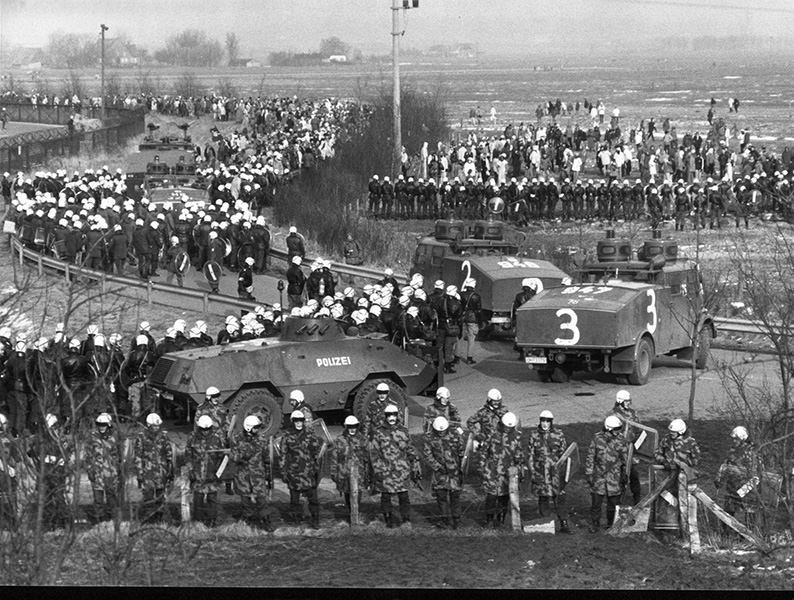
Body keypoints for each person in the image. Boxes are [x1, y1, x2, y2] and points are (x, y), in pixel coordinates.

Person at [369, 404, 421, 528]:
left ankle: (406, 520)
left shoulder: (403, 431)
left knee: (403, 496)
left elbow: (409, 449)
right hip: (385, 471)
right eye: (389, 415)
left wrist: (415, 461)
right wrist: (378, 469)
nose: (391, 417)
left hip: (401, 471)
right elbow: (373, 453)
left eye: (394, 414)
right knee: (386, 497)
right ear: (385, 416)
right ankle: (388, 520)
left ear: (397, 415)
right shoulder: (378, 432)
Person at [526, 410, 571, 533]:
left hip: (555, 473)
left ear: (551, 422)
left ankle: (564, 523)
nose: (545, 424)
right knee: (543, 498)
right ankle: (546, 522)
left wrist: (563, 473)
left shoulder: (559, 434)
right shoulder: (534, 435)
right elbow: (530, 455)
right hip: (540, 472)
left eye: (547, 421)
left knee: (559, 497)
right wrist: (533, 472)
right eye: (543, 421)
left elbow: (564, 455)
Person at [480, 411, 524, 527]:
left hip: (507, 472)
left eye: (510, 427)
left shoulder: (517, 436)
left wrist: (518, 469)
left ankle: (500, 520)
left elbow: (519, 455)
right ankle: (489, 520)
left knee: (504, 497)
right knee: (491, 496)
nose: (507, 430)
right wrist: (483, 467)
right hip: (492, 472)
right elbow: (483, 452)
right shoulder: (492, 434)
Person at [584, 415, 628, 532]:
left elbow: (625, 458)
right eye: (616, 429)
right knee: (596, 503)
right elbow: (590, 456)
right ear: (609, 429)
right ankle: (595, 524)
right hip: (599, 477)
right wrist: (589, 473)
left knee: (613, 504)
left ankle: (610, 524)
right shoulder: (597, 438)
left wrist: (625, 473)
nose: (619, 431)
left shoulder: (621, 440)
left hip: (614, 477)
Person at [280, 410, 323, 528]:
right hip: (294, 474)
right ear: (293, 422)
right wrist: (283, 472)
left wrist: (316, 469)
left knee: (313, 499)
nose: (299, 423)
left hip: (309, 473)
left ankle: (315, 521)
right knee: (295, 501)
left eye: (301, 421)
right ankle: (296, 522)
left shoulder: (310, 434)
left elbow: (316, 453)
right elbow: (283, 455)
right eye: (296, 421)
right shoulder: (287, 436)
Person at [231, 414, 274, 531]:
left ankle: (266, 521)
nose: (258, 430)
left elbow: (266, 458)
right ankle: (247, 520)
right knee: (245, 500)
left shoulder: (262, 440)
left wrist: (268, 474)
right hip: (243, 476)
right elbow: (234, 457)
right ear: (249, 427)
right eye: (256, 427)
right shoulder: (237, 439)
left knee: (261, 499)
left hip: (257, 475)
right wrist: (244, 453)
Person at [422, 415, 465, 529]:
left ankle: (457, 520)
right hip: (439, 473)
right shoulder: (429, 438)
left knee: (455, 497)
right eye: (439, 432)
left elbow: (462, 451)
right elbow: (427, 454)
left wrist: (460, 467)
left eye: (443, 431)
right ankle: (445, 520)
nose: (441, 433)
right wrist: (437, 466)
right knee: (441, 498)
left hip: (454, 472)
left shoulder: (455, 435)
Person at [186, 414, 226, 527]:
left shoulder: (217, 438)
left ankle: (211, 521)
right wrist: (191, 470)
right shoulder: (192, 438)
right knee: (197, 498)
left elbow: (223, 458)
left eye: (207, 429)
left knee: (212, 499)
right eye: (203, 429)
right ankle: (198, 522)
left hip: (212, 475)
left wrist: (219, 473)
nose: (205, 432)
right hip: (197, 475)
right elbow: (188, 455)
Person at [714, 425, 759, 527]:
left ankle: (750, 537)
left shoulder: (751, 451)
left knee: (749, 513)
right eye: (733, 439)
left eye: (736, 439)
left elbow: (756, 474)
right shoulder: (732, 450)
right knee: (729, 512)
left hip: (747, 488)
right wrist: (719, 478)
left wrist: (744, 489)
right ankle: (727, 535)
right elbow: (725, 465)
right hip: (732, 487)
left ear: (742, 438)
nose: (734, 441)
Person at [329, 415, 371, 523]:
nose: (352, 429)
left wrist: (369, 474)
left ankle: (356, 515)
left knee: (357, 496)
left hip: (359, 474)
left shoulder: (363, 440)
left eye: (354, 426)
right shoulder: (339, 440)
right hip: (344, 474)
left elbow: (368, 457)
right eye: (350, 426)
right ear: (346, 427)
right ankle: (350, 515)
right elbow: (334, 457)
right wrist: (334, 473)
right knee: (347, 495)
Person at [134, 412, 174, 523]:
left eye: (158, 426)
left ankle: (159, 521)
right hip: (147, 474)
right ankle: (148, 521)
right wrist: (140, 474)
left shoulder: (163, 437)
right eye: (154, 426)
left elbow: (169, 455)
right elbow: (138, 457)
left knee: (160, 499)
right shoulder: (141, 437)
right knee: (148, 499)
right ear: (149, 425)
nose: (156, 428)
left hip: (161, 473)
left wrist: (170, 471)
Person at [84, 412, 121, 524]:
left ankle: (112, 522)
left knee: (112, 499)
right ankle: (99, 521)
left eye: (104, 425)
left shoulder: (115, 438)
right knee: (98, 499)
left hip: (111, 473)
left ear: (109, 425)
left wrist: (118, 470)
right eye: (99, 425)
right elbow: (88, 455)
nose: (101, 427)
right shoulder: (92, 437)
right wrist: (90, 470)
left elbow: (119, 456)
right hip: (97, 473)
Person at [609, 390, 642, 504]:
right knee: (620, 475)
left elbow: (638, 427)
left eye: (629, 401)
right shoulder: (614, 415)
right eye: (626, 401)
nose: (628, 403)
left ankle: (637, 497)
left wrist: (637, 437)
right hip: (619, 450)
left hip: (631, 450)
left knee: (633, 474)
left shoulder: (633, 413)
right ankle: (618, 499)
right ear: (620, 401)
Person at [457, 277, 481, 365]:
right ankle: (469, 358)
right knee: (471, 339)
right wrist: (480, 321)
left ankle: (456, 356)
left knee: (459, 338)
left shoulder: (460, 294)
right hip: (472, 318)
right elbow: (478, 310)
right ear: (474, 285)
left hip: (462, 317)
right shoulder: (476, 296)